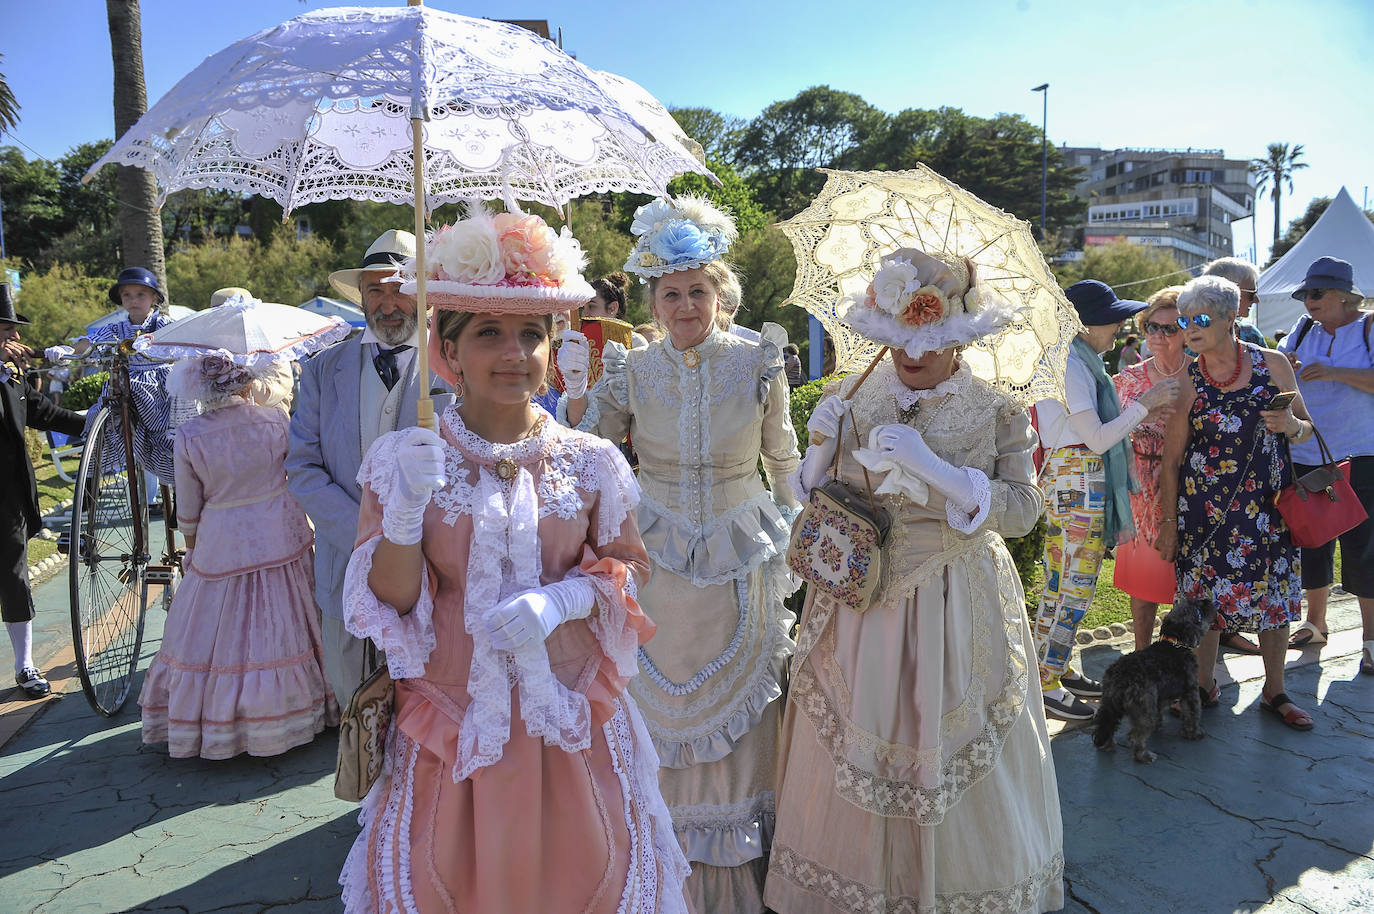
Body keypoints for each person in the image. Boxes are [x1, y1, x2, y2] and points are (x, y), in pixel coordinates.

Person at [337, 208, 688, 913]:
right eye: (489, 333)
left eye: (531, 334)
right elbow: (394, 604)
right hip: (451, 726)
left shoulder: (592, 462)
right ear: (448, 349)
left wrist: (564, 601)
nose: (512, 353)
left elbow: (628, 568)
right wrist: (405, 514)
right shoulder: (403, 459)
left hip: (569, 718)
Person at [766, 248, 1063, 914]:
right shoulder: (854, 390)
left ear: (958, 336)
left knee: (940, 743)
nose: (909, 353)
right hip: (859, 605)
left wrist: (943, 473)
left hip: (952, 602)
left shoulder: (996, 407)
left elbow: (1022, 507)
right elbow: (816, 501)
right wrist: (818, 451)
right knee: (853, 738)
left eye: (925, 339)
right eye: (899, 337)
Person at [563, 196, 801, 913]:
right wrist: (575, 395)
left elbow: (782, 459)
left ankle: (741, 870)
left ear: (720, 295)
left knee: (749, 705)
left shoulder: (759, 359)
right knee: (657, 708)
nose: (686, 303)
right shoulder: (631, 369)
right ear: (654, 300)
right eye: (672, 292)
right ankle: (661, 867)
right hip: (656, 558)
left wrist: (803, 533)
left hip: (743, 548)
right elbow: (587, 455)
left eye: (699, 290)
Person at [139, 353, 338, 757]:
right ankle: (294, 710)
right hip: (279, 531)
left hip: (222, 538)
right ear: (243, 384)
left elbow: (189, 506)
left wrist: (191, 547)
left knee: (217, 628)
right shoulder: (274, 419)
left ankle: (223, 721)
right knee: (286, 617)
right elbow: (297, 472)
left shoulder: (189, 434)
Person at [286, 230, 453, 707]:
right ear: (360, 296)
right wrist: (363, 533)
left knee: (430, 715)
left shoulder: (453, 365)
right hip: (343, 570)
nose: (387, 303)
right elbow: (302, 467)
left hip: (435, 570)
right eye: (375, 290)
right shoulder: (322, 370)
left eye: (400, 287)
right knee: (357, 709)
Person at [1158, 275, 1313, 728]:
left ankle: (1275, 690)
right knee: (1203, 601)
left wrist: (1291, 427)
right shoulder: (1186, 379)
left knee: (1274, 599)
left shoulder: (1274, 364)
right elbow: (1171, 460)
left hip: (1268, 510)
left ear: (1231, 317)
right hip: (1204, 513)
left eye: (1201, 318)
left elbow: (1306, 427)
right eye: (1184, 321)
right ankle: (1203, 685)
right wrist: (1168, 522)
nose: (1190, 329)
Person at [1031, 280, 1179, 720]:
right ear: (1083, 322)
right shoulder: (1072, 364)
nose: (1119, 326)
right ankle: (1047, 681)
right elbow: (1096, 439)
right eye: (1112, 318)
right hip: (1078, 478)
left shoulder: (1076, 358)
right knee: (1074, 586)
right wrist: (1144, 406)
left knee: (1061, 582)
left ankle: (1053, 666)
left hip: (1070, 478)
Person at [1277, 257, 1374, 674]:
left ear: (1342, 295)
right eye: (1304, 294)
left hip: (1362, 453)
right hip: (1307, 452)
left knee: (1364, 547)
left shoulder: (1370, 328)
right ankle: (1315, 623)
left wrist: (1335, 372)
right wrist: (1286, 370)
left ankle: (1371, 638)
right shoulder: (1300, 332)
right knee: (1312, 542)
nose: (1307, 301)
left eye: (1315, 293)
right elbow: (1271, 371)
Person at [1, 288, 86, 698]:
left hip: (9, 495)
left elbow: (43, 412)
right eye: (2, 332)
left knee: (14, 574)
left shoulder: (13, 378)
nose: (11, 341)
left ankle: (24, 666)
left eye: (10, 332)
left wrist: (90, 421)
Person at [47, 267, 179, 512]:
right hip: (124, 386)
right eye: (127, 295)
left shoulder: (163, 324)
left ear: (154, 298)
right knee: (98, 415)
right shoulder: (117, 328)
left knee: (170, 436)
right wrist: (67, 351)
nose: (133, 300)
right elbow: (92, 341)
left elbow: (185, 342)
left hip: (158, 388)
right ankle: (90, 478)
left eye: (140, 294)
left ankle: (181, 490)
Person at [1112, 287, 1198, 651]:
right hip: (1140, 491)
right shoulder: (1126, 380)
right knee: (1144, 584)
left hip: (1191, 486)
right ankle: (1142, 654)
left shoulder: (1201, 376)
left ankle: (1186, 665)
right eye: (1152, 326)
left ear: (1186, 331)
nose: (1159, 335)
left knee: (1188, 584)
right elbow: (1106, 434)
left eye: (1170, 327)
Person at [1203, 256, 1268, 347]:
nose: (1256, 300)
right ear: (1226, 292)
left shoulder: (1252, 335)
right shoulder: (1193, 335)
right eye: (1251, 293)